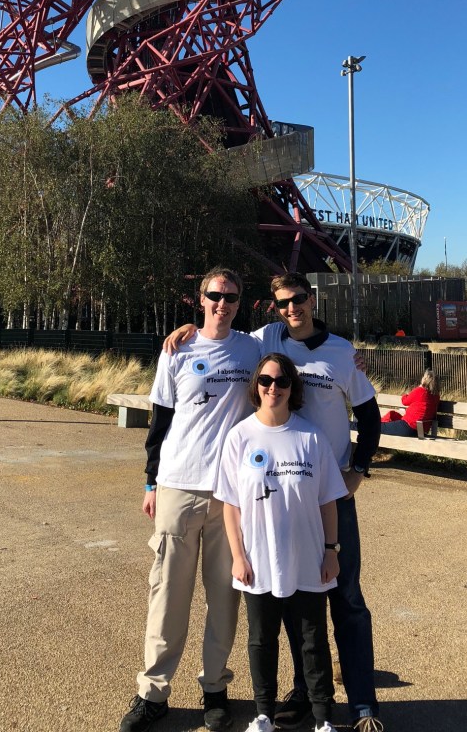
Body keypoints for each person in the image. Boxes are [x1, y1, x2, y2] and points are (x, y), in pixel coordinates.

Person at [165, 272, 384, 732]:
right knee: (292, 598)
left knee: (343, 596)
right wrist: (187, 331)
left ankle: (363, 705)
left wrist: (358, 470)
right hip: (278, 495)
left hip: (327, 492)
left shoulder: (343, 353)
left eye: (299, 299)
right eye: (283, 302)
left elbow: (368, 413)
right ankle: (304, 694)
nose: (292, 309)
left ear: (312, 299)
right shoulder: (268, 338)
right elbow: (220, 330)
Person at [119, 267, 261, 732]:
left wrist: (352, 361)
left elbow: (295, 337)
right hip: (179, 485)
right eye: (216, 295)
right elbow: (160, 422)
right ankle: (153, 692)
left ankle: (215, 687)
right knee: (167, 595)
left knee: (224, 598)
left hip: (231, 496)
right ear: (200, 299)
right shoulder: (176, 351)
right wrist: (150, 483)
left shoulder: (252, 347)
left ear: (241, 302)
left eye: (232, 296)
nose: (223, 303)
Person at [216, 353, 345, 732]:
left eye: (282, 382)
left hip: (308, 558)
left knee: (312, 641)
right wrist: (238, 556)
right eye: (266, 381)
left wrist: (331, 551)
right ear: (256, 386)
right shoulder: (240, 437)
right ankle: (263, 715)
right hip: (257, 561)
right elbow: (230, 505)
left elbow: (328, 501)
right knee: (261, 640)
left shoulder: (310, 437)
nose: (274, 388)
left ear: (293, 388)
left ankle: (323, 720)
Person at [380, 369, 439, 437]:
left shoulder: (420, 391)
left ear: (425, 379)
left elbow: (404, 401)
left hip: (408, 427)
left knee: (378, 427)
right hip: (421, 432)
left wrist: (407, 394)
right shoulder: (436, 396)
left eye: (423, 377)